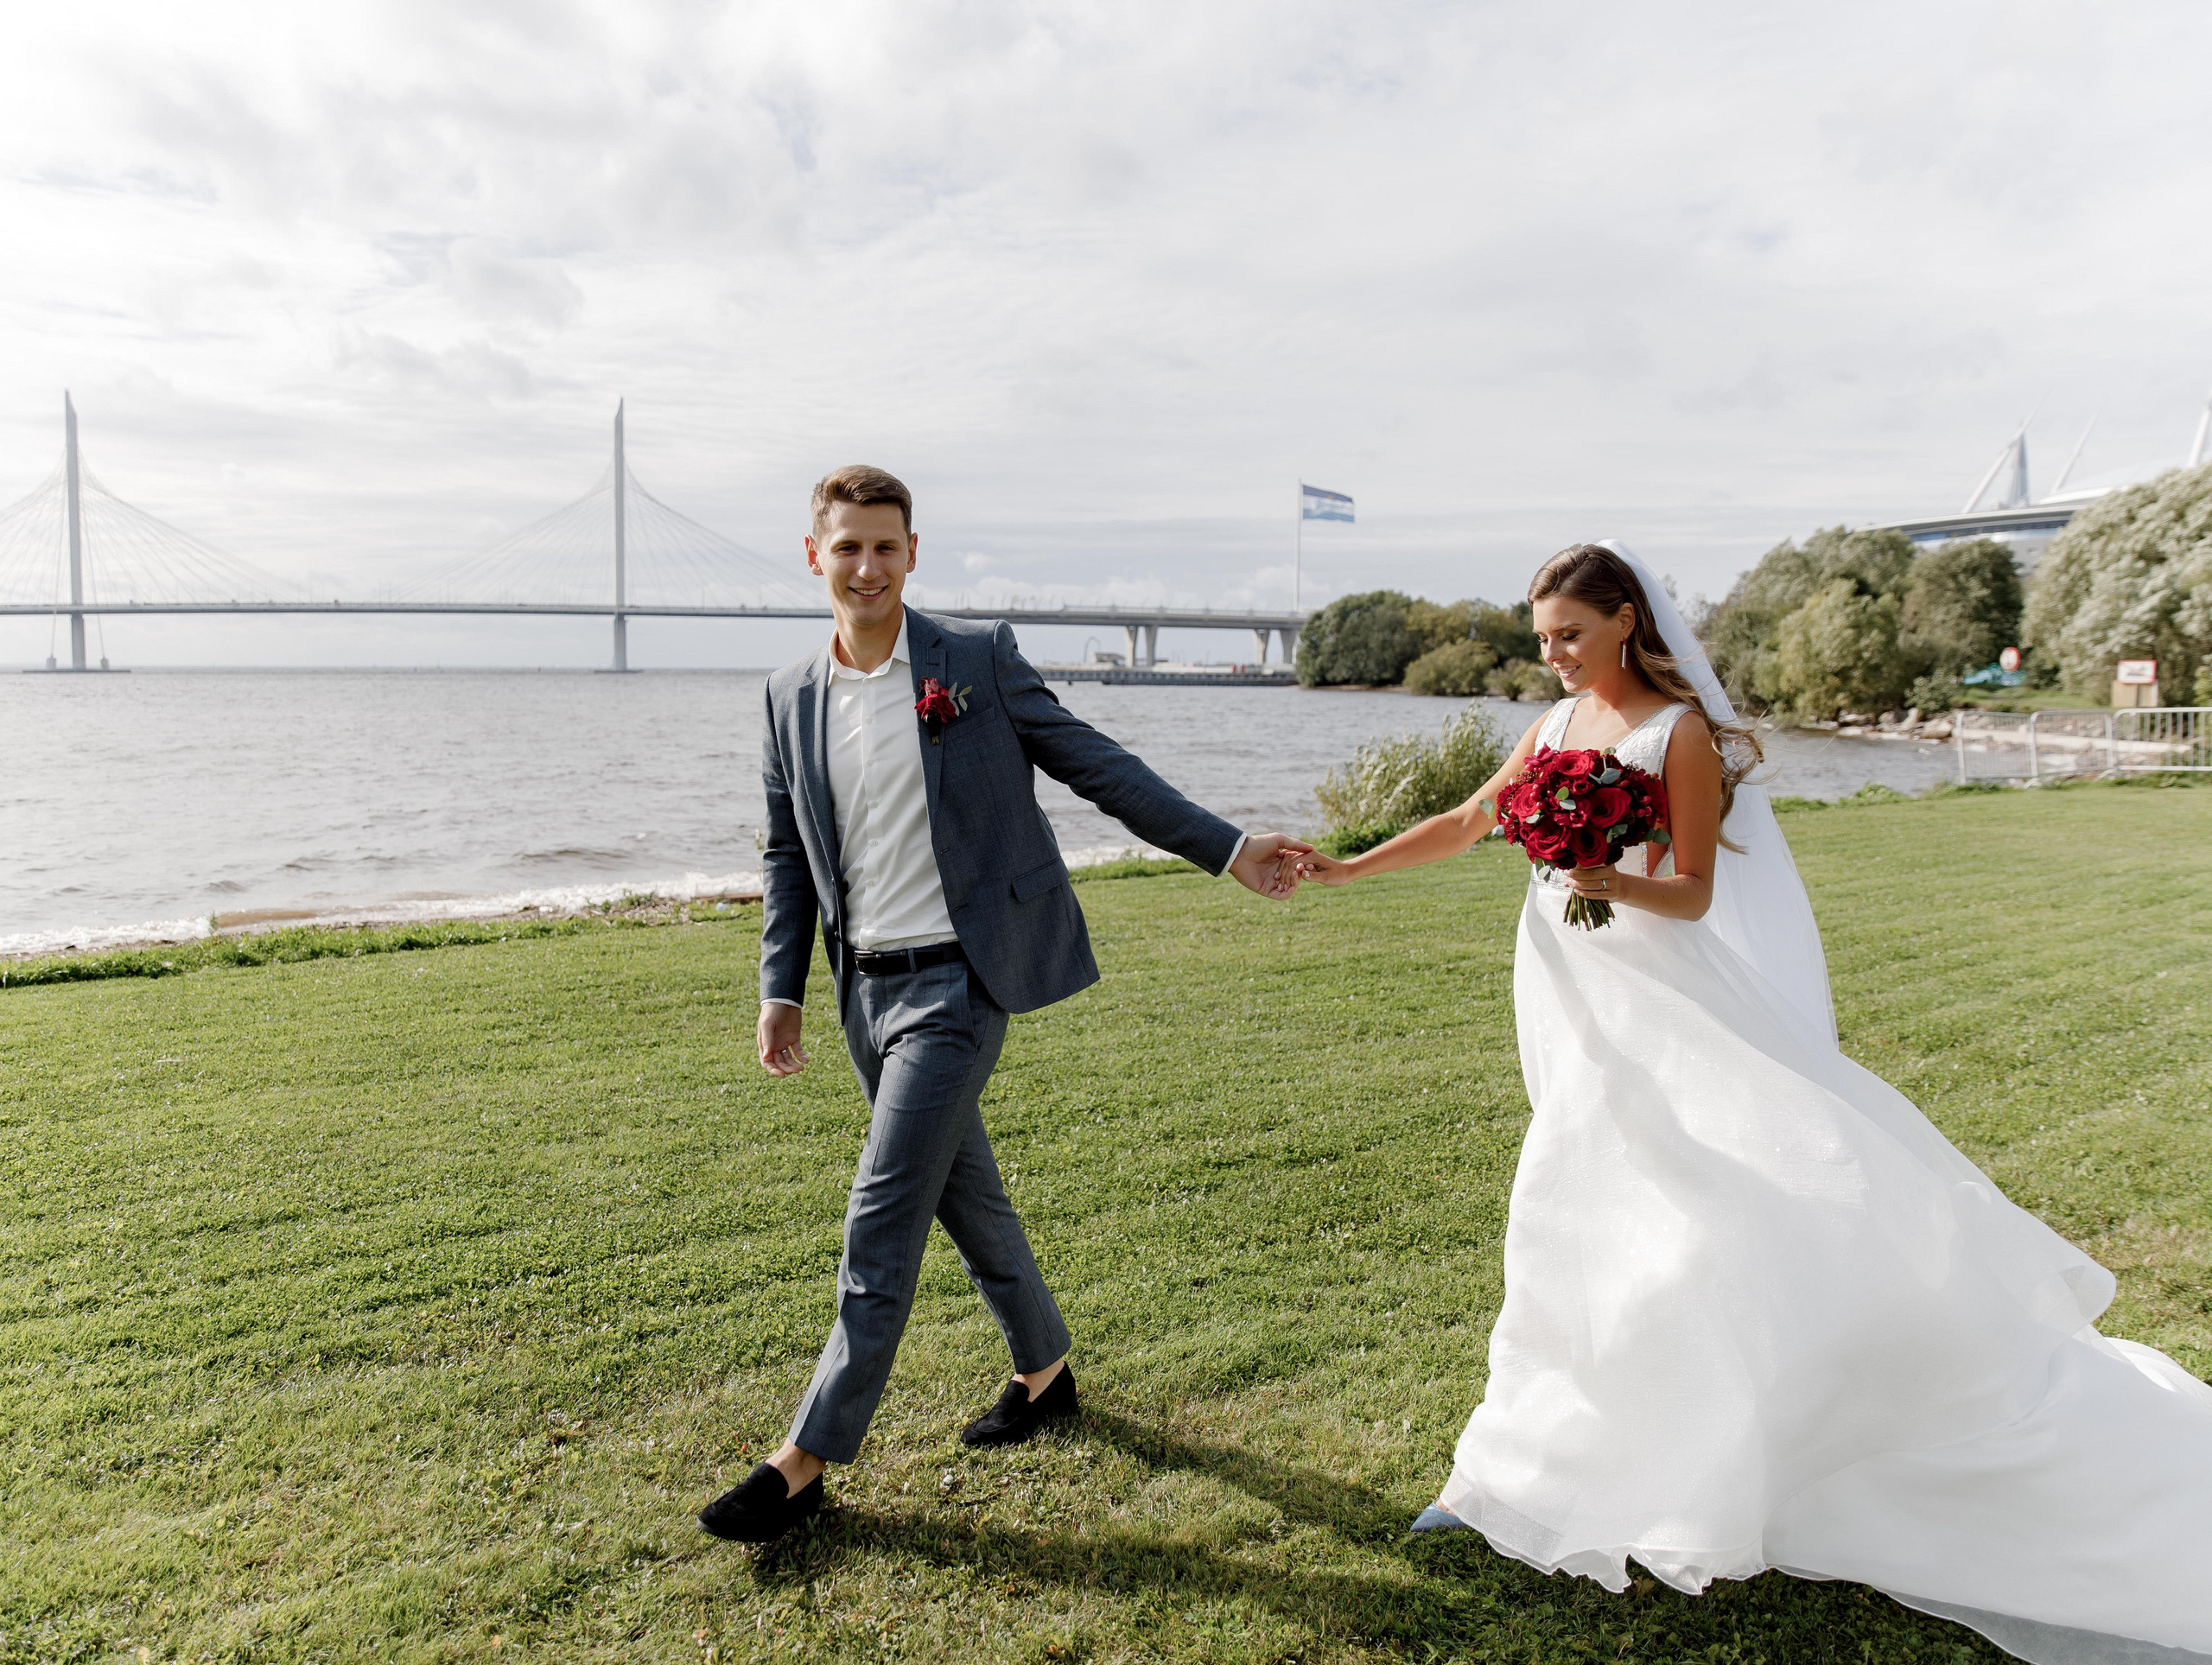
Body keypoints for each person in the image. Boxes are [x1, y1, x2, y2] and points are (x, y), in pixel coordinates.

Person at [1287, 542, 2212, 1664]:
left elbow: (1689, 889)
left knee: (1640, 1203)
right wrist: (1345, 866)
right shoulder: (1552, 728)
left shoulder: (1675, 735)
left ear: (1626, 620)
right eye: (1541, 638)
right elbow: (1467, 819)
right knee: (1585, 1209)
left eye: (1569, 634)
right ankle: (1518, 1472)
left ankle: (1593, 1465)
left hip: (1656, 996)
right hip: (1571, 996)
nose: (1554, 655)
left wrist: (1602, 874)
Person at [697, 465, 1311, 1545]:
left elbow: (1097, 766)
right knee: (961, 1197)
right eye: (846, 547)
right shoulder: (786, 696)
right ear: (814, 557)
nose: (868, 566)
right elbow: (788, 851)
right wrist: (777, 986)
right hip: (863, 991)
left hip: (962, 980)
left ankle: (802, 1459)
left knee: (880, 1213)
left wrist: (1226, 848)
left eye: (886, 546)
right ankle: (1045, 1369)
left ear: (912, 554)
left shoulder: (973, 661)